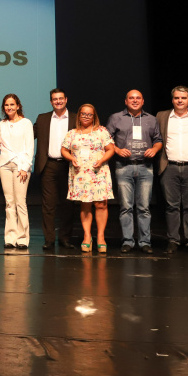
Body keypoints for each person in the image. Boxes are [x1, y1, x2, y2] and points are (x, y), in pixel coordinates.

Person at [106, 90, 163, 254]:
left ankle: (145, 242)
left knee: (144, 207)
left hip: (145, 167)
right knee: (126, 207)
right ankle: (128, 241)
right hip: (124, 167)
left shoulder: (151, 119)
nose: (135, 100)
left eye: (138, 98)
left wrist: (154, 149)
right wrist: (116, 149)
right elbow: (106, 139)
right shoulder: (116, 118)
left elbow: (158, 140)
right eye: (131, 98)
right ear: (126, 101)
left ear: (143, 101)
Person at [156, 86, 188, 254]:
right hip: (169, 167)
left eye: (183, 98)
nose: (180, 101)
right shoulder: (162, 116)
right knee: (171, 206)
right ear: (172, 100)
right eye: (177, 98)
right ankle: (173, 240)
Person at [61, 104, 115, 253]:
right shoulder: (72, 133)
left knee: (101, 205)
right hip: (80, 174)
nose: (86, 116)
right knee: (85, 205)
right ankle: (87, 236)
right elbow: (64, 149)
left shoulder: (101, 131)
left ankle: (101, 236)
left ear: (94, 116)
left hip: (99, 172)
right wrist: (71, 158)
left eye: (89, 114)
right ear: (79, 115)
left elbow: (111, 149)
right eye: (83, 114)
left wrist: (102, 159)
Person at [33, 88, 77, 250]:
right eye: (54, 99)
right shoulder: (43, 118)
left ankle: (65, 238)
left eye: (60, 98)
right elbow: (29, 135)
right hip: (49, 165)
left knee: (68, 204)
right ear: (51, 102)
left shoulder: (75, 118)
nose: (58, 101)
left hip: (70, 166)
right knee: (48, 205)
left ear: (66, 99)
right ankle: (49, 239)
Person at [0, 94, 33, 249]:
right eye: (6, 105)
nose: (9, 107)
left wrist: (25, 167)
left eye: (12, 104)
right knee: (9, 202)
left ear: (18, 106)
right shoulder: (2, 123)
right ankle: (10, 237)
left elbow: (29, 147)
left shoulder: (26, 123)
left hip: (20, 166)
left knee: (20, 202)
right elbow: (1, 144)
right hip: (5, 164)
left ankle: (23, 238)